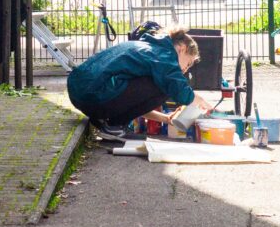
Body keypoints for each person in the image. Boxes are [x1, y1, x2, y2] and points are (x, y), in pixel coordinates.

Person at [66, 25, 214, 141]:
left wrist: (164, 118)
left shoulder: (149, 48)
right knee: (166, 87)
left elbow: (132, 101)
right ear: (182, 48)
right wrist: (197, 100)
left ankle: (109, 124)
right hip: (93, 97)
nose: (184, 70)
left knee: (162, 84)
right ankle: (112, 126)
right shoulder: (164, 56)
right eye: (187, 64)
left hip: (81, 94)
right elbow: (176, 88)